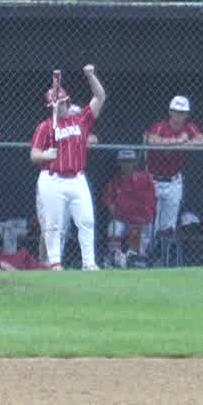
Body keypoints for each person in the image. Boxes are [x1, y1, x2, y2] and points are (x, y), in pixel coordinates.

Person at [29, 66, 108, 271]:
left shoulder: (80, 119)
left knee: (87, 220)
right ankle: (55, 263)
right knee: (54, 225)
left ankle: (89, 263)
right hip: (52, 179)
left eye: (64, 103)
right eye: (57, 104)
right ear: (50, 107)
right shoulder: (45, 127)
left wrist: (90, 75)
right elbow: (34, 154)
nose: (62, 107)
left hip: (77, 178)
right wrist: (46, 155)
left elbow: (100, 96)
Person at [144, 96, 203, 264]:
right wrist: (177, 141)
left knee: (168, 227)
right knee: (149, 224)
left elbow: (201, 141)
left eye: (182, 113)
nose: (179, 116)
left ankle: (162, 261)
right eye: (176, 112)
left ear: (187, 114)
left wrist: (178, 144)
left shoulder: (189, 127)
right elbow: (152, 140)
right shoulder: (160, 126)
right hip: (153, 180)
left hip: (174, 181)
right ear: (170, 112)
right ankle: (143, 258)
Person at [102, 149, 156, 267]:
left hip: (141, 221)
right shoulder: (114, 181)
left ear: (134, 163)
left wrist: (127, 211)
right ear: (119, 163)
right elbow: (110, 204)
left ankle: (134, 257)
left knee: (137, 250)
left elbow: (148, 205)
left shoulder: (144, 179)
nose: (126, 164)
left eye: (129, 161)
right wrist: (120, 211)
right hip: (123, 219)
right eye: (124, 161)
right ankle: (115, 256)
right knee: (113, 227)